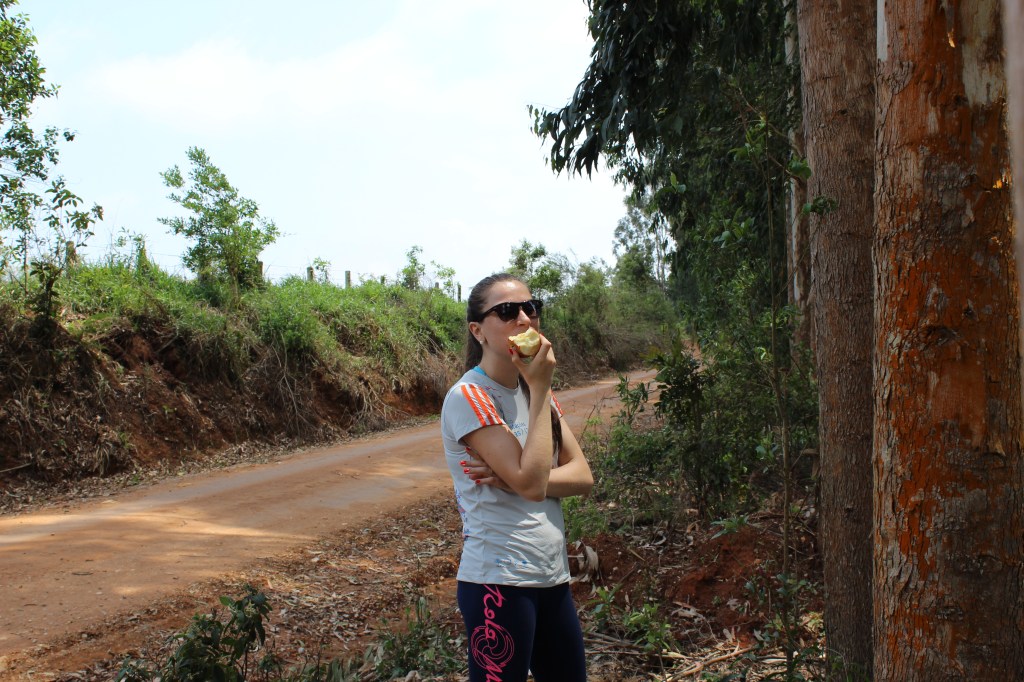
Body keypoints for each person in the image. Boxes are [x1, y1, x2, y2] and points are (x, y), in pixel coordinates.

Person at [440, 273, 594, 682]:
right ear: (479, 331)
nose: (524, 319)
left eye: (531, 308)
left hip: (551, 576)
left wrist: (515, 480)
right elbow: (532, 484)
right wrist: (541, 389)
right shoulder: (469, 397)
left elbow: (582, 476)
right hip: (498, 582)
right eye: (507, 311)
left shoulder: (533, 392)